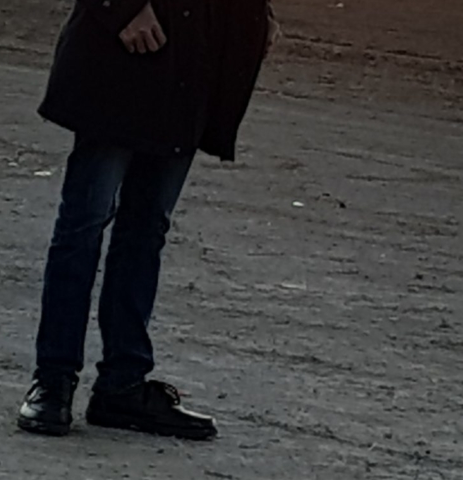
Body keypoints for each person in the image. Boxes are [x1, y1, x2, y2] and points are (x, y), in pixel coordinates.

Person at [18, 0, 280, 440]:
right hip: (129, 45)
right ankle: (54, 380)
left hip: (195, 49)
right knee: (85, 222)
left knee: (145, 227)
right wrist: (123, 7)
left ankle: (122, 384)